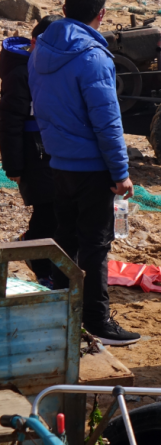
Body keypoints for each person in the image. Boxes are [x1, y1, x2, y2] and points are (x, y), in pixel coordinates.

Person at [29, 0, 139, 346]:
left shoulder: (41, 48)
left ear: (64, 9)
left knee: (66, 238)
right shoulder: (92, 57)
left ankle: (64, 311)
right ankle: (96, 319)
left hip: (58, 161)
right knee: (96, 245)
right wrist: (121, 173)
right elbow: (107, 120)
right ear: (101, 14)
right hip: (92, 167)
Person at [0, 15, 61, 285]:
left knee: (56, 208)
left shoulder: (44, 66)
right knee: (48, 209)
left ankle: (39, 257)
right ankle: (40, 265)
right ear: (35, 42)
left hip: (48, 149)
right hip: (31, 152)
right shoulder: (20, 72)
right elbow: (10, 122)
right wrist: (13, 167)